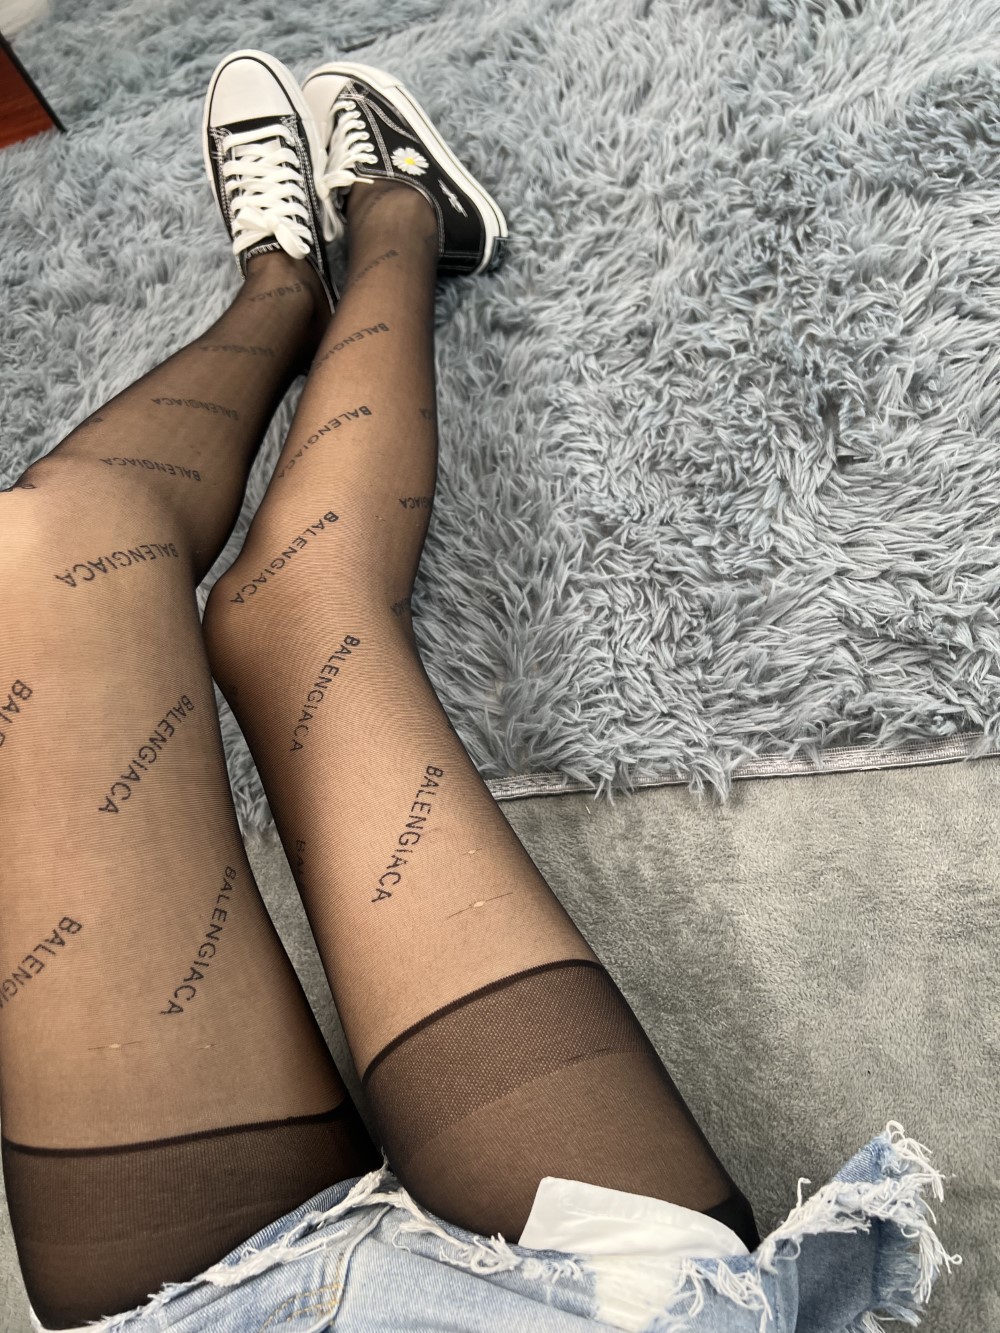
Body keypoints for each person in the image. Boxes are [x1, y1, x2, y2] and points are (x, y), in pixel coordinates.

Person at [0, 48, 959, 1333]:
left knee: (43, 552)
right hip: (576, 1299)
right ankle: (401, 223)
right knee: (295, 605)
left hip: (196, 1312)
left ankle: (280, 286)